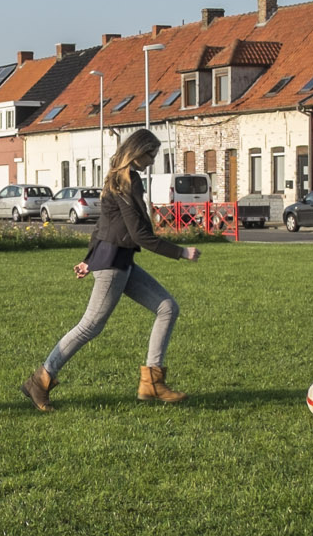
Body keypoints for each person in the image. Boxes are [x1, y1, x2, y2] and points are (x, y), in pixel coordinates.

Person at [22, 129, 200, 411]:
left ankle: (152, 382)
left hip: (119, 260)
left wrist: (88, 259)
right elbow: (140, 235)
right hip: (113, 264)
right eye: (149, 154)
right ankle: (41, 380)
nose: (152, 160)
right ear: (136, 151)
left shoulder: (124, 179)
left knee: (167, 307)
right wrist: (181, 252)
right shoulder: (122, 183)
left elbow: (103, 226)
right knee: (89, 326)